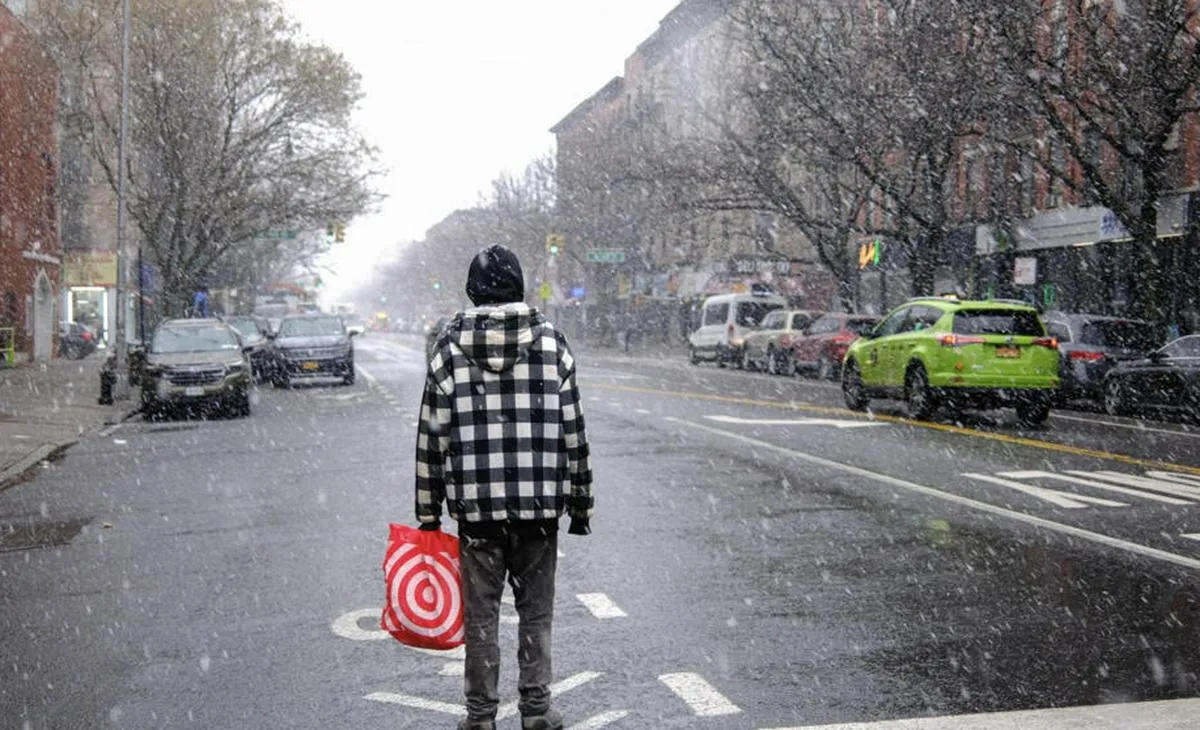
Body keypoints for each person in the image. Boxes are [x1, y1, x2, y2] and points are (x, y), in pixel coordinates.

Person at [415, 244, 593, 730]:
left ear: (473, 291)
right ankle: (536, 710)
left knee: (480, 619)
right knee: (536, 615)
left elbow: (432, 438)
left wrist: (429, 512)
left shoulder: (448, 350)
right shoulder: (553, 344)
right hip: (538, 508)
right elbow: (574, 432)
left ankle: (480, 717)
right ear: (519, 287)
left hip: (477, 513)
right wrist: (579, 503)